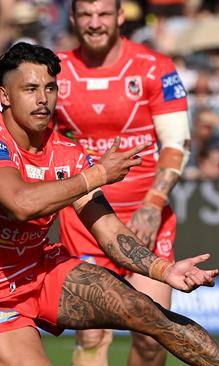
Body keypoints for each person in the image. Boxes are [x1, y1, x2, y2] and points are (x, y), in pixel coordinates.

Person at [0, 41, 219, 366]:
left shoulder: (67, 152)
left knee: (148, 312)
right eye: (30, 89)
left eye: (50, 88)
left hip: (40, 273)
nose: (43, 99)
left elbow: (110, 232)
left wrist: (163, 269)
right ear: (4, 96)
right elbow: (21, 203)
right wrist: (98, 173)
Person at [53, 1, 193, 364]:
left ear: (119, 17)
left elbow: (177, 144)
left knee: (153, 336)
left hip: (146, 214)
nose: (94, 24)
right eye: (86, 15)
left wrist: (153, 204)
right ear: (73, 19)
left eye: (103, 14)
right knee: (92, 335)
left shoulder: (154, 67)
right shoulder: (55, 70)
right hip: (86, 219)